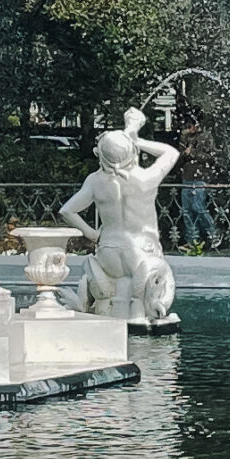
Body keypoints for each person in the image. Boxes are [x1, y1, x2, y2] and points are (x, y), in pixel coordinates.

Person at [60, 107, 181, 322]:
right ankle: (151, 309)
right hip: (141, 254)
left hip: (108, 254)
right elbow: (171, 153)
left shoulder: (95, 180)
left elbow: (67, 211)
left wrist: (91, 234)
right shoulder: (145, 180)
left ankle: (102, 311)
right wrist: (137, 139)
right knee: (163, 274)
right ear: (131, 152)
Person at [178, 119, 218, 249]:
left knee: (198, 207)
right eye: (187, 126)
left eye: (191, 125)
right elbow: (180, 157)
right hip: (187, 177)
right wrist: (184, 154)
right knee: (187, 211)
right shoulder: (184, 138)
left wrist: (193, 153)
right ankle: (193, 240)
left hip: (200, 177)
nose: (189, 129)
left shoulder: (206, 136)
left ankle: (213, 233)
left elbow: (211, 157)